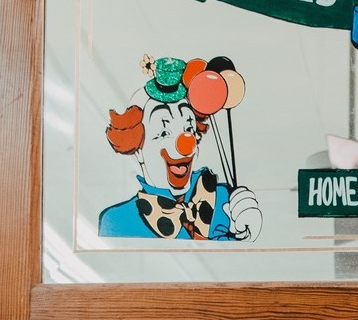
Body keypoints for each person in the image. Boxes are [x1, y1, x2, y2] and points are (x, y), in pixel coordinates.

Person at [99, 55, 261, 241]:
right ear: (138, 149)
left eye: (189, 128)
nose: (185, 144)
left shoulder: (225, 201)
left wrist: (246, 236)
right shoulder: (118, 221)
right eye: (163, 132)